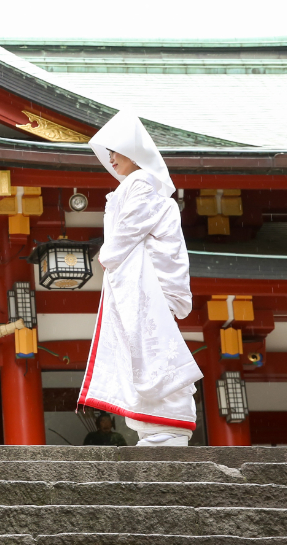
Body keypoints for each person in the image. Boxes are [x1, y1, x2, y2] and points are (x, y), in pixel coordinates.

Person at [77, 109, 203, 447]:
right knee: (143, 348)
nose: (111, 159)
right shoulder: (140, 186)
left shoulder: (140, 184)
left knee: (148, 347)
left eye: (116, 150)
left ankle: (165, 426)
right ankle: (157, 426)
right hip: (139, 280)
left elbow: (128, 231)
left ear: (133, 152)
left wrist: (106, 255)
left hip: (144, 283)